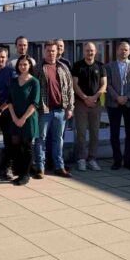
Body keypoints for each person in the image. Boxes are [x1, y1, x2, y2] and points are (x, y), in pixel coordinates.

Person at [34, 40, 74, 179]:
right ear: (44, 52)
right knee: (41, 139)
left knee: (58, 139)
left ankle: (59, 167)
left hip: (60, 110)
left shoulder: (63, 67)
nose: (51, 53)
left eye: (53, 51)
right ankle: (40, 167)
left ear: (57, 52)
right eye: (48, 51)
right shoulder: (38, 68)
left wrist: (70, 108)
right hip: (44, 110)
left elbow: (70, 89)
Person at [105, 41, 130, 171]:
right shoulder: (109, 67)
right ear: (117, 50)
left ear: (129, 51)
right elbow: (107, 84)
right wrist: (117, 97)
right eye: (121, 49)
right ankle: (117, 160)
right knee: (114, 133)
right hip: (113, 103)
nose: (123, 51)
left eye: (126, 49)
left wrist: (127, 97)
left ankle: (128, 161)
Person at [72, 42, 107, 172]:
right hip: (81, 103)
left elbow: (104, 84)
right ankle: (81, 159)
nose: (89, 53)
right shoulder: (77, 66)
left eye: (91, 50)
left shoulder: (101, 66)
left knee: (94, 133)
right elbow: (74, 84)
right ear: (84, 51)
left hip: (96, 104)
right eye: (87, 50)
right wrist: (85, 98)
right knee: (81, 133)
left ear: (95, 51)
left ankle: (92, 159)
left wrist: (95, 97)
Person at [7, 55, 40, 186]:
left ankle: (26, 175)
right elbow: (9, 101)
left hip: (28, 119)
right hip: (15, 118)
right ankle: (20, 172)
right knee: (16, 145)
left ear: (30, 66)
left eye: (25, 64)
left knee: (27, 146)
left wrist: (23, 118)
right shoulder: (14, 81)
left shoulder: (34, 82)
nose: (22, 67)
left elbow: (34, 103)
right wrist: (15, 118)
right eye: (20, 64)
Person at [0, 48, 14, 180]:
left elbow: (12, 95)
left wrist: (1, 109)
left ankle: (7, 168)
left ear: (6, 58)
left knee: (8, 141)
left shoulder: (11, 73)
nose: (0, 59)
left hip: (6, 112)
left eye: (3, 57)